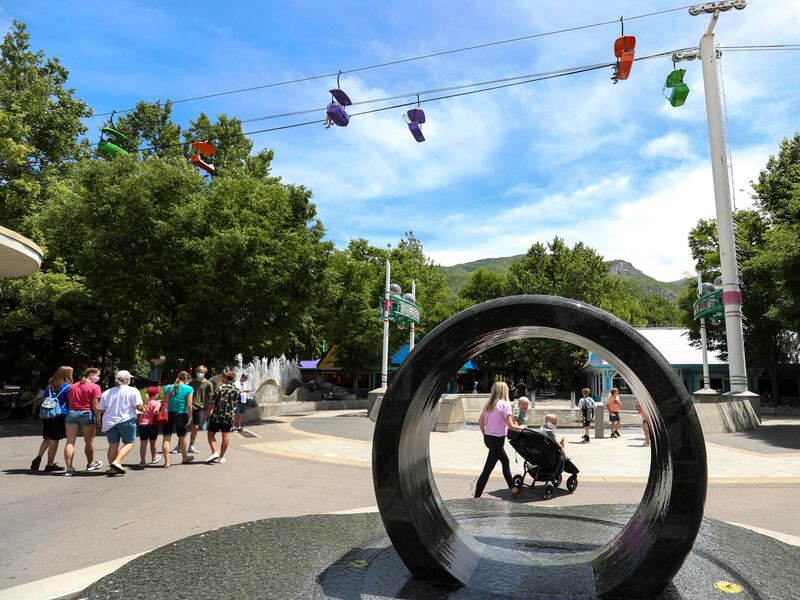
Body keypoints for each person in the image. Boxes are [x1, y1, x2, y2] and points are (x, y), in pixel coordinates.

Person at [475, 381, 523, 498]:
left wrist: (485, 434)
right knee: (487, 470)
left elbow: (480, 422)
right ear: (504, 391)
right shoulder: (504, 404)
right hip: (497, 440)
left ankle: (514, 489)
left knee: (505, 461)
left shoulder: (488, 404)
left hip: (488, 439)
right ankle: (477, 497)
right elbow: (511, 425)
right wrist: (520, 428)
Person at [98, 370, 144, 475]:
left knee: (113, 445)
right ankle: (117, 461)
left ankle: (112, 468)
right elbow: (138, 406)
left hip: (110, 421)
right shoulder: (133, 391)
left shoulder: (107, 392)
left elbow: (100, 409)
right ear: (127, 380)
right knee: (129, 442)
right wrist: (144, 407)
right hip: (126, 419)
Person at [30, 366, 72, 472]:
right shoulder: (68, 387)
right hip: (59, 414)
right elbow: (70, 402)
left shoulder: (50, 386)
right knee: (54, 439)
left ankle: (38, 457)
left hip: (47, 414)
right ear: (67, 374)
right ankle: (50, 464)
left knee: (47, 438)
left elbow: (44, 398)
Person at [63, 367, 103, 476]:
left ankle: (69, 469)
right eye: (97, 375)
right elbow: (95, 406)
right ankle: (90, 464)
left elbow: (70, 402)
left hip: (72, 413)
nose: (98, 377)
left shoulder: (73, 386)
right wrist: (98, 418)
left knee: (70, 442)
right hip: (86, 414)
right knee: (89, 441)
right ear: (91, 375)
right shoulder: (95, 387)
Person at [205, 370, 239, 464]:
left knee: (211, 434)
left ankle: (214, 452)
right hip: (229, 417)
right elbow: (237, 403)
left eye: (221, 376)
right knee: (226, 435)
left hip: (217, 415)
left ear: (224, 378)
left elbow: (212, 404)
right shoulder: (236, 390)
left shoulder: (219, 389)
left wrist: (207, 414)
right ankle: (221, 457)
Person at [162, 371, 194, 467]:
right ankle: (185, 457)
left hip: (169, 415)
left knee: (166, 438)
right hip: (181, 415)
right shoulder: (189, 388)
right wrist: (190, 416)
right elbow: (189, 405)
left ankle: (167, 462)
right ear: (187, 379)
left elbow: (164, 401)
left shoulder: (168, 387)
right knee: (182, 437)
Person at [188, 365, 213, 454]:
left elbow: (211, 397)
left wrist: (210, 409)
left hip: (199, 407)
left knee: (195, 426)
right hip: (188, 406)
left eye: (202, 372)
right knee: (184, 425)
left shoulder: (208, 383)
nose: (200, 373)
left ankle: (191, 445)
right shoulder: (191, 382)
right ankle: (180, 444)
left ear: (205, 373)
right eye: (198, 371)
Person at [137, 387, 163, 466]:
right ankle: (154, 457)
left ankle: (142, 461)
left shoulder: (144, 403)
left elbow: (139, 413)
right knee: (153, 442)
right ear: (156, 395)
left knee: (143, 443)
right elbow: (156, 411)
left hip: (142, 425)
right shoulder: (156, 403)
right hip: (152, 425)